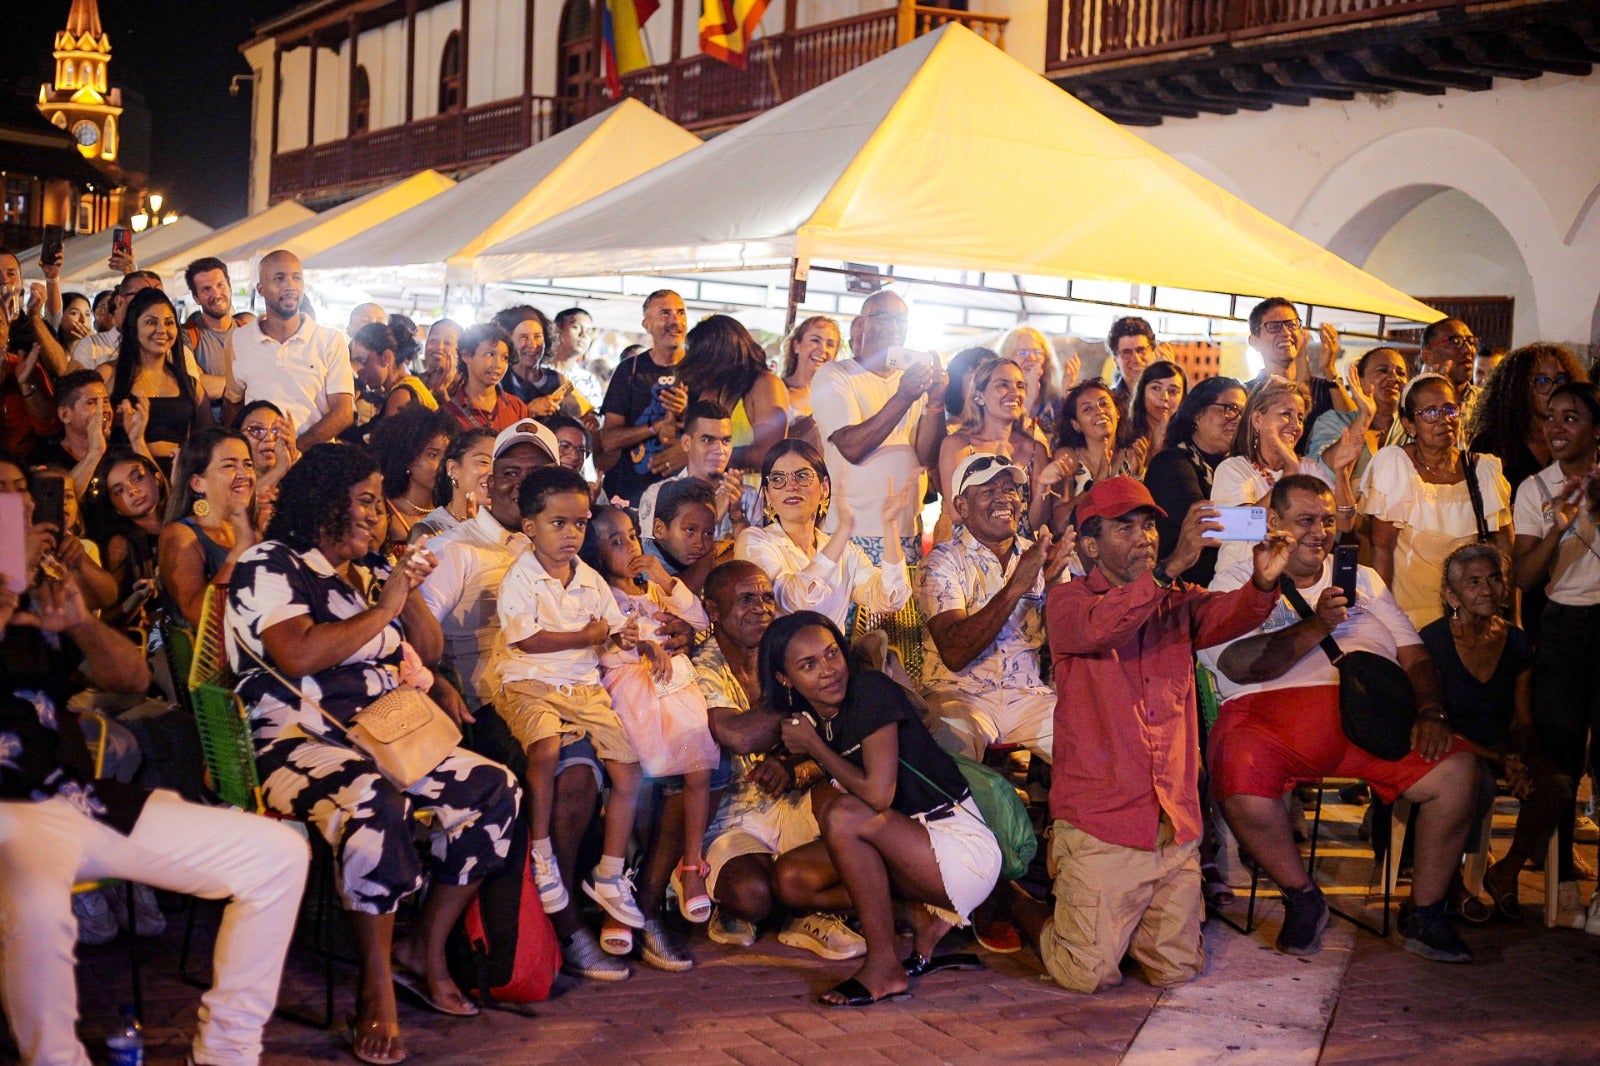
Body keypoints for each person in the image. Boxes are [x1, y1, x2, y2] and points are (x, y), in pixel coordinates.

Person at [227, 443, 520, 1063]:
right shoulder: (270, 563)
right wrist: (384, 606)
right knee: (371, 801)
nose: (374, 513)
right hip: (295, 744)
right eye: (362, 500)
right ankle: (376, 985)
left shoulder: (359, 577)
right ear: (323, 502)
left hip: (385, 736)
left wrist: (401, 583)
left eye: (377, 503)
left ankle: (422, 948)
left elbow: (432, 647)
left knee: (495, 789)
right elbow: (299, 654)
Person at [0, 565, 308, 1066]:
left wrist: (81, 623)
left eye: (28, 506)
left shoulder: (39, 606)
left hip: (83, 799)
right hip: (11, 809)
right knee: (36, 905)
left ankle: (225, 1055)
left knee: (278, 854)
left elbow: (133, 678)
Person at [1013, 477, 1286, 993]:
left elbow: (1229, 614)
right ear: (1090, 546)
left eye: (1149, 526)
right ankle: (1015, 904)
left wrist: (1264, 584)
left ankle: (1114, 922)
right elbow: (1103, 628)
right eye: (1126, 527)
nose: (1145, 536)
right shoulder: (1068, 601)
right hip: (1102, 824)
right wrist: (1169, 568)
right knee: (1085, 975)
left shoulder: (1175, 598)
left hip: (1170, 823)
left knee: (1177, 971)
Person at [1202, 475, 1478, 963]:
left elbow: (1414, 657)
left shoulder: (1364, 579)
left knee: (1457, 773)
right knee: (1235, 774)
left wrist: (1431, 711)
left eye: (1328, 520)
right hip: (1267, 724)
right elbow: (1240, 666)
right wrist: (1318, 627)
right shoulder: (1236, 581)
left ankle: (1426, 911)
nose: (1320, 531)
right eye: (1305, 520)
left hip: (1369, 721)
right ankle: (1303, 896)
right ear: (1274, 523)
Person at [772, 611, 1002, 1006]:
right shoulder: (820, 718)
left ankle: (884, 967)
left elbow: (877, 795)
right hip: (907, 843)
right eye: (808, 665)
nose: (828, 671)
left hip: (956, 846)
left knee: (842, 814)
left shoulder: (871, 691)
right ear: (785, 679)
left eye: (831, 655)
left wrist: (813, 747)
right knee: (792, 879)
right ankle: (920, 916)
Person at [496, 465, 648, 934]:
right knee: (544, 748)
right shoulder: (520, 578)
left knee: (628, 772)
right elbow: (527, 642)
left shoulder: (591, 580)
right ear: (530, 527)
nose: (571, 534)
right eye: (558, 523)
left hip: (583, 690)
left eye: (580, 524)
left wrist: (630, 639)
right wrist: (587, 634)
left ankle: (608, 872)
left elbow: (612, 630)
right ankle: (541, 851)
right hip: (530, 683)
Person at [696, 560, 866, 961]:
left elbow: (836, 731)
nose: (760, 607)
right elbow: (737, 735)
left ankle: (803, 909)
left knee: (853, 809)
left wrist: (794, 767)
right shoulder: (700, 663)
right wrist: (798, 703)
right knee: (751, 896)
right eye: (744, 599)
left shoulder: (785, 655)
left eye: (766, 597)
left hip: (790, 799)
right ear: (713, 611)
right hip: (730, 819)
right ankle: (808, 905)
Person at [582, 506, 718, 926]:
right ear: (596, 552)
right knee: (637, 782)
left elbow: (698, 619)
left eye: (632, 538)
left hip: (674, 688)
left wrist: (665, 580)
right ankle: (623, 877)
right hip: (631, 691)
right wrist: (644, 643)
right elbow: (607, 642)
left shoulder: (654, 589)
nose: (629, 548)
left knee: (699, 770)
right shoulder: (599, 593)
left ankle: (691, 866)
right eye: (615, 541)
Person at [1421, 543, 1570, 922]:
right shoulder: (1432, 642)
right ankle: (1451, 880)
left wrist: (1516, 758)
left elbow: (1522, 719)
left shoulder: (1516, 641)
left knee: (1555, 785)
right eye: (1473, 582)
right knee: (1474, 783)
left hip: (1501, 745)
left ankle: (1507, 870)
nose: (1487, 589)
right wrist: (1497, 760)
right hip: (1453, 747)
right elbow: (1437, 725)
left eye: (1493, 579)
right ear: (1451, 595)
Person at [1510, 381, 1600, 921]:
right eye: (1550, 417)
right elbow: (1522, 575)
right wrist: (1558, 531)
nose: (1556, 427)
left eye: (1571, 417)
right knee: (1562, 751)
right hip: (1563, 626)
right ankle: (1560, 873)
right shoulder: (1533, 489)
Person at [919, 453, 1072, 763]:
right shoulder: (941, 561)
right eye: (988, 491)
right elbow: (955, 652)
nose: (1004, 498)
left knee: (1089, 747)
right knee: (952, 753)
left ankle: (1065, 811)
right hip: (958, 695)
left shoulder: (1040, 554)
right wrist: (1016, 587)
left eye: (1009, 489)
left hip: (1028, 697)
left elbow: (1064, 648)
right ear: (961, 507)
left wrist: (1055, 585)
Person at [1362, 373, 1512, 630]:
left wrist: (1511, 617)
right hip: (1408, 615)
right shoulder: (1395, 465)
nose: (1444, 420)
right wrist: (1381, 619)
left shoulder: (1483, 470)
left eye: (1449, 409)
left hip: (1470, 616)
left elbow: (1505, 554)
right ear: (1410, 425)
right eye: (1430, 412)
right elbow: (1381, 551)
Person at [810, 291, 945, 562]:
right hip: (850, 532)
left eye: (901, 320)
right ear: (860, 325)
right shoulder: (835, 375)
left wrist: (936, 403)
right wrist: (903, 397)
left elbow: (927, 458)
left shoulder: (911, 380)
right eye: (884, 318)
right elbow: (851, 447)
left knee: (897, 606)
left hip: (905, 530)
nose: (895, 328)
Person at [735, 439, 914, 631]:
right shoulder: (755, 541)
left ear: (824, 488)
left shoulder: (846, 553)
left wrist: (890, 525)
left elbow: (890, 598)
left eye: (802, 476)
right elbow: (792, 600)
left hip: (831, 658)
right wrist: (843, 531)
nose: (791, 486)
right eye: (778, 479)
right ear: (768, 496)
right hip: (780, 659)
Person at [1210, 375, 1346, 574]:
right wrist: (1289, 474)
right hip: (1241, 585)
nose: (1296, 425)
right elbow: (1240, 529)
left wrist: (1342, 474)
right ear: (1257, 419)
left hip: (1293, 588)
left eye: (1300, 417)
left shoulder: (1308, 468)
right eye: (1286, 414)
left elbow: (1344, 524)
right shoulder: (1233, 468)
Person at [222, 250, 355, 448]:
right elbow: (233, 403)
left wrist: (296, 448)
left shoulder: (330, 340)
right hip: (260, 465)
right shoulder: (239, 339)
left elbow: (343, 414)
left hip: (314, 463)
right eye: (279, 278)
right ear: (261, 289)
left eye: (296, 278)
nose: (290, 286)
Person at [1143, 376, 1247, 585]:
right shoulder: (1171, 464)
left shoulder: (1236, 467)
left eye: (1243, 413)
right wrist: (1270, 522)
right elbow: (1209, 526)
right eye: (1230, 408)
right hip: (1182, 592)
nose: (1237, 419)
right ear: (1198, 414)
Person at [937, 356, 1054, 536]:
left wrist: (1044, 487)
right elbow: (957, 514)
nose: (1015, 393)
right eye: (1003, 385)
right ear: (979, 395)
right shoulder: (957, 445)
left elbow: (1035, 523)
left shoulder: (1035, 449)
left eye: (1020, 386)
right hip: (971, 556)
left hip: (1020, 556)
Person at [157, 428, 259, 630]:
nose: (244, 474)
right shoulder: (180, 535)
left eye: (248, 464)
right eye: (229, 465)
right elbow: (197, 617)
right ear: (197, 483)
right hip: (214, 657)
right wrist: (239, 551)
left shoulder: (253, 528)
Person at [598, 290, 690, 506]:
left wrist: (686, 411)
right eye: (665, 313)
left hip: (686, 495)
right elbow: (608, 440)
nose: (675, 321)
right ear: (647, 324)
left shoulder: (701, 369)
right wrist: (654, 427)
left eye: (680, 313)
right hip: (634, 496)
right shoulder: (629, 370)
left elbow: (716, 435)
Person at [108, 288, 219, 466]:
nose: (162, 330)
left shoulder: (190, 384)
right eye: (151, 322)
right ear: (133, 327)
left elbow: (208, 436)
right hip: (130, 479)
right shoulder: (111, 376)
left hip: (179, 478)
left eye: (169, 323)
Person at [1467, 342, 1589, 494]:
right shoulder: (1493, 444)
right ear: (1521, 387)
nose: (1555, 388)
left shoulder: (1579, 437)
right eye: (1542, 381)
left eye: (1562, 379)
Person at [678, 314, 790, 478]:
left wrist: (701, 455)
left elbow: (769, 453)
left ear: (718, 354)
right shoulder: (709, 387)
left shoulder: (764, 384)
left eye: (700, 356)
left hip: (749, 496)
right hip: (706, 493)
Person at [637, 399, 750, 545]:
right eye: (708, 440)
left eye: (726, 441)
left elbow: (755, 560)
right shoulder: (658, 496)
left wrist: (737, 515)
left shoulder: (748, 497)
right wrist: (711, 519)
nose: (720, 450)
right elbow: (655, 558)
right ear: (686, 443)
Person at [1043, 378, 1146, 533]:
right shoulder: (1069, 459)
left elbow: (1144, 518)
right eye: (1087, 409)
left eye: (1104, 404)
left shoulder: (1133, 455)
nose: (1099, 411)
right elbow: (1058, 526)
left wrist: (1137, 476)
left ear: (1117, 412)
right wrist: (1097, 484)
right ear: (1076, 425)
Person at [1240, 299, 1347, 444]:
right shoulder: (1247, 394)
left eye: (1291, 325)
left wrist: (1329, 370)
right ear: (1254, 342)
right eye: (1274, 326)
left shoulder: (1326, 388)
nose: (1285, 332)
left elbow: (1352, 427)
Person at [1306, 346, 1407, 484]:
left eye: (1401, 373)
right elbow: (1320, 476)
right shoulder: (1334, 421)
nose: (1395, 377)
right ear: (1359, 381)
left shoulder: (1410, 428)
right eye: (1383, 370)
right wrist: (1365, 416)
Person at [367, 406, 457, 552]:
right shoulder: (382, 511)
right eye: (433, 455)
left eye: (448, 455)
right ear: (406, 458)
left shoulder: (453, 512)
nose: (445, 465)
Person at [408, 426, 496, 544]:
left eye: (499, 465)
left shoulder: (508, 528)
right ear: (453, 469)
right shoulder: (429, 532)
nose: (493, 473)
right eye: (483, 462)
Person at [70, 269, 163, 376]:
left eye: (160, 296)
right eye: (142, 296)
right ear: (120, 302)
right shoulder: (91, 346)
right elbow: (74, 390)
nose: (153, 302)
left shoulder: (169, 347)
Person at [442, 322, 529, 433]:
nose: (498, 364)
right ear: (466, 355)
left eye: (504, 358)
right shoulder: (449, 412)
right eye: (490, 354)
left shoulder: (517, 408)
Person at [999, 325, 1077, 444]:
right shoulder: (998, 398)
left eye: (1037, 352)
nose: (1031, 358)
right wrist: (1029, 394)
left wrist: (1067, 394)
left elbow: (1068, 439)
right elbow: (1009, 439)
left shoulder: (1053, 400)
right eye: (1022, 352)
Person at [495, 305, 573, 416]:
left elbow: (584, 412)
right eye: (523, 337)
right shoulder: (498, 380)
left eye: (537, 336)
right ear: (508, 342)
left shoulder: (557, 380)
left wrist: (589, 419)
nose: (532, 345)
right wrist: (528, 411)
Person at [352, 320, 437, 421]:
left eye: (362, 361)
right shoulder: (407, 385)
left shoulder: (402, 394)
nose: (358, 370)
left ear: (386, 357)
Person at [778, 315, 841, 447]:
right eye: (815, 340)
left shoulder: (839, 395)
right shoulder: (778, 388)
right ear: (796, 346)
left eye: (830, 344)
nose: (822, 349)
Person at [182, 256, 238, 379]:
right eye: (206, 289)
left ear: (230, 288)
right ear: (196, 298)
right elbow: (195, 386)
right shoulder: (186, 336)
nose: (216, 294)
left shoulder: (248, 330)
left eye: (220, 285)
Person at [1418, 317, 1480, 419]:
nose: (1468, 349)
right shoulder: (1410, 403)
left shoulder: (1487, 402)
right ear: (1428, 356)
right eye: (1455, 342)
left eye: (1471, 342)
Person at [1128, 359, 1187, 458]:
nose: (1164, 397)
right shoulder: (1125, 435)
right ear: (1142, 392)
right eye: (1156, 388)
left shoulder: (1189, 441)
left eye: (1173, 391)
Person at [1104, 316, 1162, 417]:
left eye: (1141, 350)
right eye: (1127, 352)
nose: (1136, 359)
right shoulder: (1107, 402)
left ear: (1154, 353)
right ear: (1115, 360)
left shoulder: (1170, 397)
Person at [550, 307, 605, 411]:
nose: (583, 335)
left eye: (588, 332)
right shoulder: (538, 372)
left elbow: (596, 417)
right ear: (557, 330)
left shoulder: (589, 380)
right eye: (576, 327)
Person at [421, 318, 462, 400]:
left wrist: (442, 394)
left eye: (447, 343)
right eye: (433, 340)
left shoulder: (467, 387)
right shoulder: (415, 383)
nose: (439, 347)